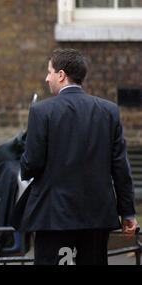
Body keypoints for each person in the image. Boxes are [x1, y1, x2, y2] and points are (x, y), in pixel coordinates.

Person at [19, 48, 138, 265]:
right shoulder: (109, 111)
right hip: (96, 214)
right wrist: (127, 212)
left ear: (61, 75)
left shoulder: (41, 111)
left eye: (49, 72)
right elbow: (120, 166)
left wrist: (24, 164)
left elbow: (32, 164)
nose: (47, 78)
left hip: (53, 214)